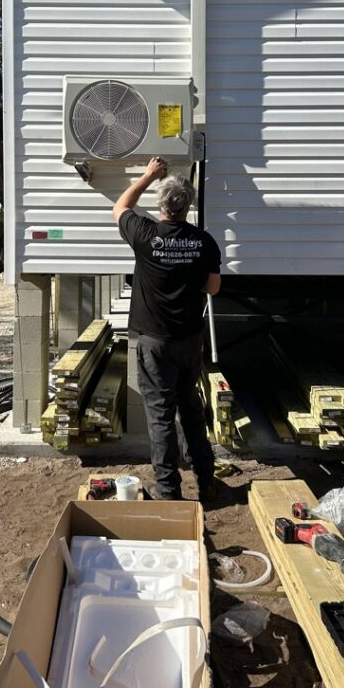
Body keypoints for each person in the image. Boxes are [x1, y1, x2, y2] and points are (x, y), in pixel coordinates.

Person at [113, 157, 221, 501]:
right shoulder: (205, 242)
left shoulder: (146, 234)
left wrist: (147, 175)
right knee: (190, 406)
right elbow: (213, 288)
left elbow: (121, 206)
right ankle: (206, 480)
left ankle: (169, 490)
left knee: (161, 415)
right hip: (189, 341)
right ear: (187, 207)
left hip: (153, 343)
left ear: (161, 206)